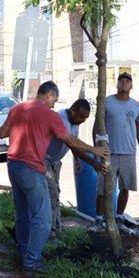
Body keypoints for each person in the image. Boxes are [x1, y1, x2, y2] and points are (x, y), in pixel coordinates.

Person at [0, 81, 108, 273]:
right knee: (43, 218)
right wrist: (94, 149)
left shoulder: (17, 108)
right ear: (49, 95)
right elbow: (69, 140)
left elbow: (2, 133)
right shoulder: (50, 115)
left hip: (13, 165)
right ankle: (32, 262)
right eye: (54, 100)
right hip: (32, 168)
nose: (54, 105)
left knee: (23, 213)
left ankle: (24, 253)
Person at [44, 99, 105, 236]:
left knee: (55, 195)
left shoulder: (74, 122)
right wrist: (94, 151)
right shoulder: (61, 118)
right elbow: (71, 140)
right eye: (81, 116)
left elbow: (73, 146)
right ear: (73, 110)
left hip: (55, 162)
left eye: (86, 118)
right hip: (44, 160)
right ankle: (51, 233)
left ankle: (56, 227)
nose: (83, 120)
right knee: (52, 194)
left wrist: (78, 159)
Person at [97, 72, 139, 219]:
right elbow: (97, 125)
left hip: (129, 153)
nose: (124, 82)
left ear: (131, 86)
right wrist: (96, 147)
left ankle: (119, 217)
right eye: (121, 80)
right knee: (103, 189)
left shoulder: (136, 106)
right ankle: (99, 218)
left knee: (125, 187)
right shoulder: (106, 102)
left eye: (127, 81)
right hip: (108, 153)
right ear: (116, 84)